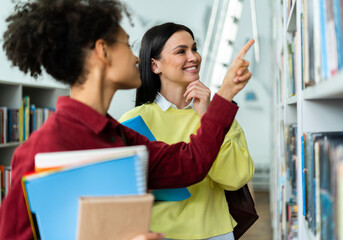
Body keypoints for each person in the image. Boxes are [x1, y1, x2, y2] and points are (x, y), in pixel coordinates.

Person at [0, 0, 253, 239]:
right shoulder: (43, 146)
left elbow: (190, 163)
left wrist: (225, 94)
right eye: (126, 45)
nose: (136, 58)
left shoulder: (117, 135)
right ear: (103, 51)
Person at [120, 22, 255, 240]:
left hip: (216, 232)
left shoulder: (217, 115)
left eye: (194, 48)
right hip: (159, 233)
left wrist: (207, 117)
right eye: (181, 51)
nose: (193, 57)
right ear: (155, 65)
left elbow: (236, 178)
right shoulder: (135, 120)